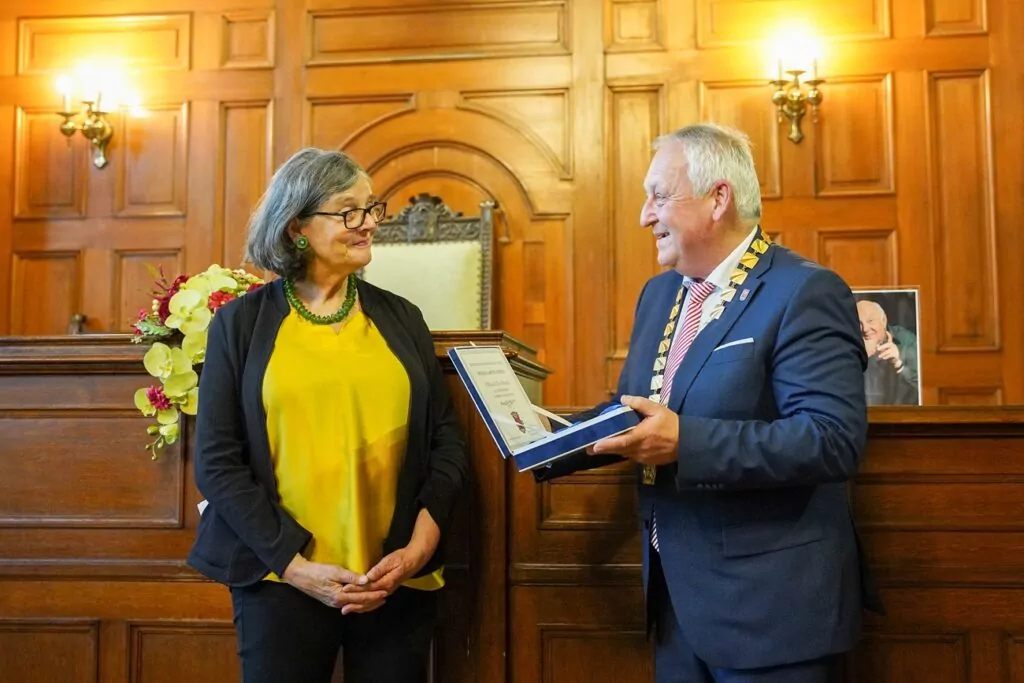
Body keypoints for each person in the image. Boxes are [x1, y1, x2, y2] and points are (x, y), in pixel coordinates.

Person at [535, 123, 883, 683]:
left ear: (718, 198)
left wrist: (685, 442)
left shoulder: (804, 290)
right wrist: (546, 442)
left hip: (770, 612)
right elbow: (638, 411)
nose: (644, 216)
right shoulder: (659, 294)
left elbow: (831, 439)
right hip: (676, 604)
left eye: (659, 196)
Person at [187, 148, 468, 683]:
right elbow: (218, 464)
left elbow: (446, 444)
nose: (368, 225)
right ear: (296, 227)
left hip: (395, 580)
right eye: (348, 212)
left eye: (371, 209)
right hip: (280, 580)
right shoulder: (239, 325)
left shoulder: (403, 318)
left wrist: (418, 549)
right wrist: (296, 568)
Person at [857, 299, 919, 405]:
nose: (865, 329)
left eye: (870, 321)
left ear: (884, 320)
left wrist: (898, 364)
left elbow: (924, 390)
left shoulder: (907, 341)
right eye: (859, 323)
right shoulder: (848, 346)